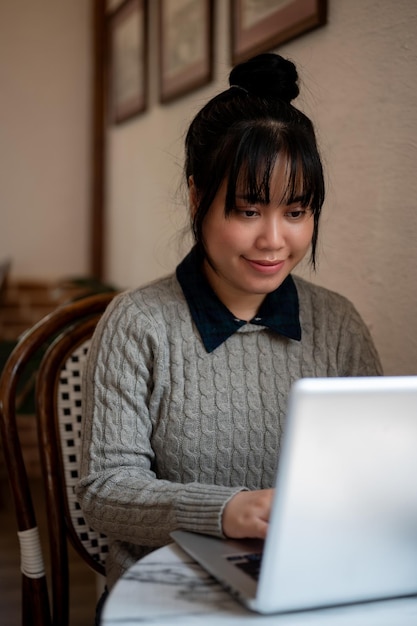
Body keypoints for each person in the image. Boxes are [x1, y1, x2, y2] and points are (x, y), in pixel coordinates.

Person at [76, 53, 383, 596]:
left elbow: (376, 475)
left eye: (296, 211)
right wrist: (225, 510)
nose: (274, 240)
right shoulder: (140, 324)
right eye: (247, 210)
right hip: (168, 591)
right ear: (198, 197)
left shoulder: (336, 323)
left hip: (306, 583)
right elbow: (105, 492)